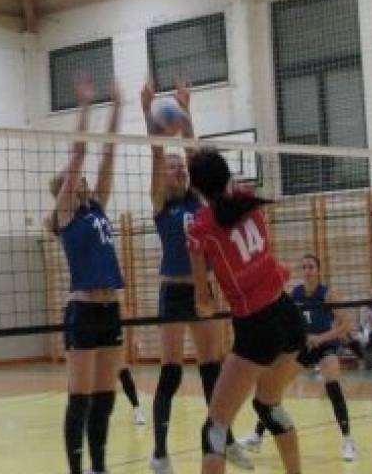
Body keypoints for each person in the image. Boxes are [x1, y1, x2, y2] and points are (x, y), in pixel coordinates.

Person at [141, 81, 251, 473]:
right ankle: (159, 452)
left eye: (180, 166)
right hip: (173, 292)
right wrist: (147, 112)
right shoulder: (161, 203)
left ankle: (227, 440)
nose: (177, 168)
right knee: (171, 371)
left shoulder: (198, 201)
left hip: (201, 291)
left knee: (211, 368)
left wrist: (185, 110)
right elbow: (157, 154)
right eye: (172, 167)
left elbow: (194, 153)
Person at [186, 149, 304, 474]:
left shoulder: (200, 228)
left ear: (196, 188)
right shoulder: (248, 199)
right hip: (289, 316)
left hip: (256, 325)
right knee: (269, 406)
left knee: (215, 427)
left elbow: (203, 300)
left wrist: (206, 305)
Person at [50, 78, 125, 474]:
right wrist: (84, 107)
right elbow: (79, 153)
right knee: (79, 398)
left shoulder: (97, 208)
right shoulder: (66, 214)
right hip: (82, 311)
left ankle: (99, 467)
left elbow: (107, 154)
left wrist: (117, 107)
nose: (79, 179)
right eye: (72, 178)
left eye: (79, 178)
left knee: (105, 397)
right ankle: (76, 470)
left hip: (110, 308)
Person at [239, 254, 357, 462]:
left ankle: (348, 441)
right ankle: (257, 436)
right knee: (274, 389)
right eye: (304, 267)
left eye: (311, 267)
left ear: (318, 270)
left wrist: (320, 338)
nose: (307, 271)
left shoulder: (328, 294)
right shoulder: (296, 293)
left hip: (325, 345)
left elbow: (346, 325)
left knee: (333, 385)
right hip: (304, 346)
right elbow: (290, 322)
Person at [346, 289, 372, 371]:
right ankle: (365, 359)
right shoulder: (366, 308)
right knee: (349, 338)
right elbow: (360, 325)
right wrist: (358, 331)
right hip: (365, 332)